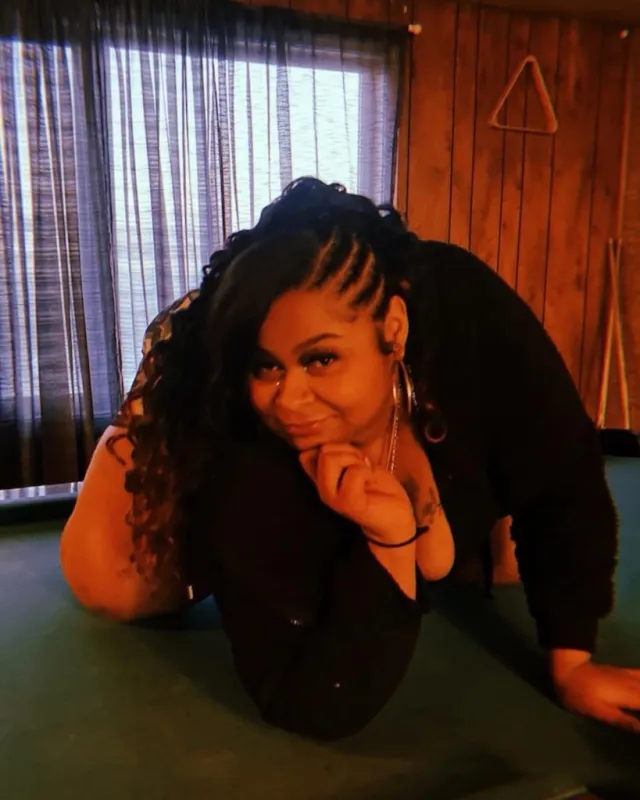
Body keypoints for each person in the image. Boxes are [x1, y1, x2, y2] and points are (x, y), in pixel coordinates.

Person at [60, 177, 640, 741]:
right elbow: (304, 696)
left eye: (321, 359)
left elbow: (564, 474)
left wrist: (573, 663)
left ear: (395, 328)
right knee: (107, 581)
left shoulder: (467, 313)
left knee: (488, 564)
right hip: (196, 390)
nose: (289, 399)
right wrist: (388, 544)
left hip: (422, 375)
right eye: (268, 365)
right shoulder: (238, 431)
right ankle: (173, 360)